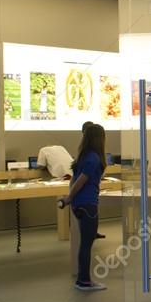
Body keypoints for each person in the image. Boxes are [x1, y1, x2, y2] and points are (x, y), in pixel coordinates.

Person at [59, 124, 107, 291]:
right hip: (88, 204)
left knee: (85, 243)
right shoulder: (94, 158)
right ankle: (84, 281)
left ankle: (82, 279)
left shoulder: (83, 157)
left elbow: (75, 180)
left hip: (80, 204)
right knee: (86, 244)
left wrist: (71, 199)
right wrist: (69, 197)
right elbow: (81, 181)